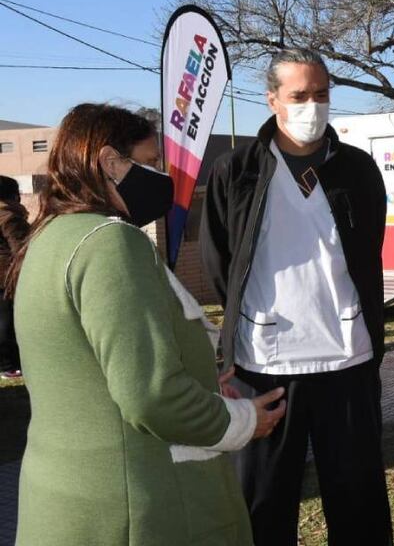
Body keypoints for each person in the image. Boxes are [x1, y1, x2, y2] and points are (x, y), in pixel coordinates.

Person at [7, 103, 285, 546]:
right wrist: (243, 421)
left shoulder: (50, 236)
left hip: (73, 500)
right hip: (137, 506)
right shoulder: (110, 244)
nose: (160, 175)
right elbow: (151, 395)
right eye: (151, 161)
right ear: (110, 162)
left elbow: (89, 366)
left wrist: (199, 373)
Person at [200, 47, 392, 546]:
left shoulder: (358, 170)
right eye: (299, 95)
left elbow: (368, 251)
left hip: (347, 360)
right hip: (265, 365)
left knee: (359, 505)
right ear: (272, 100)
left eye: (322, 94)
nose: (313, 106)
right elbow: (220, 263)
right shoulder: (236, 170)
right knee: (263, 505)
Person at [0, 176, 27, 379]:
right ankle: (9, 365)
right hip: (6, 276)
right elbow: (20, 248)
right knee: (7, 322)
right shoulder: (8, 215)